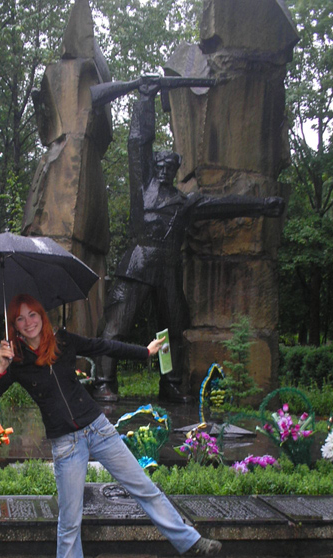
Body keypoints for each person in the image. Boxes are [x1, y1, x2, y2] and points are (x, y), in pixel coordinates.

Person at [0, 293, 221, 558]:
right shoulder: (16, 361)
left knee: (144, 487)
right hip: (66, 444)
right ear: (14, 325)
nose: (28, 322)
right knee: (70, 515)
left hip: (98, 429)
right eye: (20, 319)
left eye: (33, 315)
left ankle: (190, 541)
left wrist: (145, 352)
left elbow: (103, 346)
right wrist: (1, 368)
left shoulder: (63, 341)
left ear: (41, 315)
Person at [95, 80, 285, 403]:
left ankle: (170, 383)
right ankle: (104, 381)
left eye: (171, 166)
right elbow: (138, 142)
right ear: (154, 167)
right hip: (138, 266)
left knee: (170, 332)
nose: (165, 170)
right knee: (117, 325)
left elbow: (222, 206)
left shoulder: (185, 203)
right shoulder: (143, 188)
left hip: (169, 272)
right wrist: (145, 98)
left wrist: (263, 205)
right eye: (160, 165)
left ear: (176, 170)